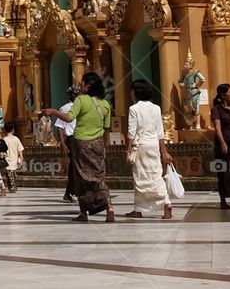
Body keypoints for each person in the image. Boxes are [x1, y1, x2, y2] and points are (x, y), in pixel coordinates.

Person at [43, 71, 115, 222]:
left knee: (80, 177)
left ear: (88, 86)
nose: (80, 86)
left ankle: (83, 213)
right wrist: (104, 147)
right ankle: (109, 206)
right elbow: (107, 128)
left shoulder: (81, 100)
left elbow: (69, 118)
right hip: (98, 143)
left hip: (81, 143)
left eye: (82, 83)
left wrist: (54, 111)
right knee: (98, 177)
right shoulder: (105, 104)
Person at [125, 79, 173, 219]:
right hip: (153, 146)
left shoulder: (134, 109)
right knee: (156, 175)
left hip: (140, 146)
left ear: (136, 92)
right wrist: (164, 151)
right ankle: (165, 203)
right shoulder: (156, 108)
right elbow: (160, 132)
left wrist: (129, 151)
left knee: (139, 177)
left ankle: (138, 209)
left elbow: (131, 133)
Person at [55, 85, 79, 202]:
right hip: (71, 138)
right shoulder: (64, 108)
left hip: (81, 138)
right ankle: (70, 192)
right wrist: (62, 143)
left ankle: (71, 191)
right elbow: (60, 127)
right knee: (74, 167)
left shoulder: (81, 105)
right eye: (74, 94)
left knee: (77, 167)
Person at [0, 123, 24, 193]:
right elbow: (20, 150)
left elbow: (2, 152)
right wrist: (21, 159)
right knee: (13, 175)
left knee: (9, 176)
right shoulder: (16, 139)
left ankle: (11, 187)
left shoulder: (4, 140)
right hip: (14, 161)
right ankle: (13, 186)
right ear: (13, 130)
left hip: (7, 162)